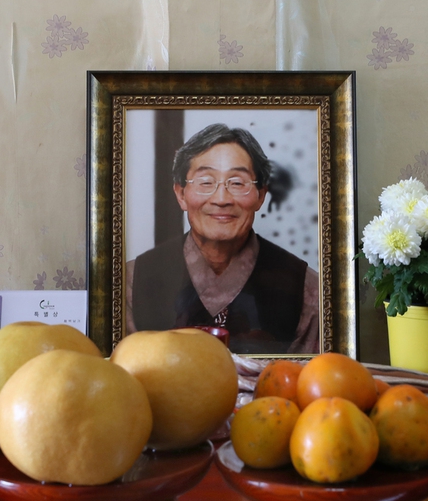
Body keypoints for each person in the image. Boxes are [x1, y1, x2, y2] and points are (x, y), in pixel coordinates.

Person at [126, 123, 319, 354]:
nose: (221, 199)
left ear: (261, 196)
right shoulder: (132, 281)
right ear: (181, 194)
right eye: (206, 182)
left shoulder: (305, 286)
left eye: (237, 183)